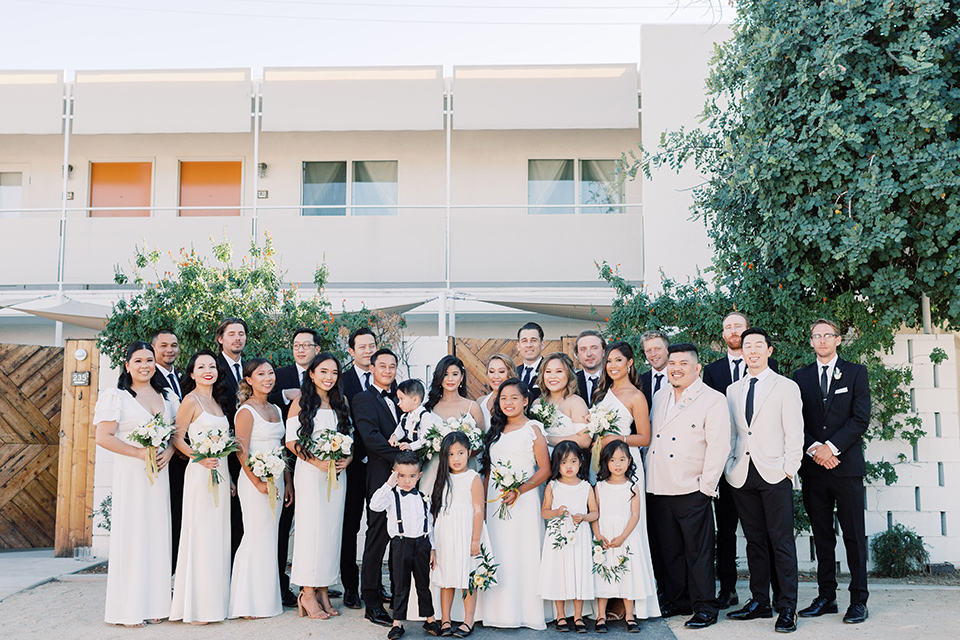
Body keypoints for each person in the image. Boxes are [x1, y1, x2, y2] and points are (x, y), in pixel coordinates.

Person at [646, 344, 731, 629]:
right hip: (659, 485)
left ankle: (705, 606)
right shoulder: (659, 396)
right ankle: (678, 599)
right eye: (672, 363)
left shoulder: (712, 399)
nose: (676, 368)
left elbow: (719, 446)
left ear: (697, 368)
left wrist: (706, 486)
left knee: (699, 552)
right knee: (670, 551)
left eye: (683, 363)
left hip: (692, 487)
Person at [93, 341, 178, 627]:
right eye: (139, 361)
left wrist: (167, 451)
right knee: (133, 535)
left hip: (159, 476)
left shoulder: (166, 396)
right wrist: (140, 453)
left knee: (157, 535)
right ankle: (126, 608)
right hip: (132, 473)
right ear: (127, 365)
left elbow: (174, 435)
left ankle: (155, 604)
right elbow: (104, 437)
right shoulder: (116, 396)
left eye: (150, 360)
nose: (145, 366)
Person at [724, 328, 802, 633]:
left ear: (769, 350)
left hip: (775, 474)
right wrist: (730, 466)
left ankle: (787, 607)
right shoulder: (733, 390)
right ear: (741, 352)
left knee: (781, 541)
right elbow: (733, 433)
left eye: (758, 345)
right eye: (747, 346)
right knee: (754, 541)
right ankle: (760, 601)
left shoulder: (786, 387)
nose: (752, 350)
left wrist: (788, 469)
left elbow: (795, 432)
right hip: (742, 474)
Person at [702, 311, 781, 609]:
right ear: (723, 334)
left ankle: (771, 591)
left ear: (749, 332)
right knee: (726, 531)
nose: (733, 331)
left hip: (760, 465)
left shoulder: (769, 366)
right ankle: (729, 589)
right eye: (728, 327)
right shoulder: (712, 370)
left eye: (738, 326)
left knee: (762, 532)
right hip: (726, 464)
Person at [794, 319, 870, 624]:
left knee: (853, 536)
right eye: (817, 336)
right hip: (814, 469)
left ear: (838, 340)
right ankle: (826, 597)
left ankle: (858, 600)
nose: (822, 340)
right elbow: (794, 420)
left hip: (846, 467)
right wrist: (815, 449)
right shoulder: (800, 376)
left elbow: (860, 418)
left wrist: (831, 448)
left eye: (828, 335)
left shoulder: (855, 373)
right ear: (811, 341)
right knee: (822, 536)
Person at [592, 341, 660, 622]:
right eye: (609, 361)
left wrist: (617, 439)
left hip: (627, 463)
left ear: (630, 363)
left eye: (618, 360)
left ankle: (630, 598)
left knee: (630, 526)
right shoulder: (601, 393)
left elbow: (644, 437)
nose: (612, 365)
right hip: (603, 465)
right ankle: (609, 591)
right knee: (606, 522)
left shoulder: (636, 395)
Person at [286, 352, 353, 620]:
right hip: (312, 474)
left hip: (337, 475)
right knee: (311, 531)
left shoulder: (341, 402)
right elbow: (292, 441)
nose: (329, 377)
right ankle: (307, 592)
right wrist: (317, 463)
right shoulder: (301, 402)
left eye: (334, 373)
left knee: (331, 530)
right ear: (311, 374)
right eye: (323, 371)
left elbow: (350, 437)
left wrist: (346, 459)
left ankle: (324, 588)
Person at [480, 378, 551, 630]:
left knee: (522, 551)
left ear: (525, 401)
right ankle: (498, 611)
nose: (508, 403)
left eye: (513, 397)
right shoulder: (496, 430)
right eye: (503, 398)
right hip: (495, 498)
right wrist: (485, 504)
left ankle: (526, 612)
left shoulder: (533, 429)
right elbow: (488, 469)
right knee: (499, 551)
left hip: (524, 499)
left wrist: (519, 490)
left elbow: (544, 470)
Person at [170, 350, 234, 625]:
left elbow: (227, 447)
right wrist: (198, 456)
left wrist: (229, 477)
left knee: (218, 535)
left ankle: (215, 602)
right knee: (201, 534)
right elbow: (177, 438)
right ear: (193, 373)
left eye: (212, 366)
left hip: (220, 472)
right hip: (199, 473)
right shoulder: (191, 400)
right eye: (201, 366)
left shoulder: (218, 403)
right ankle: (196, 607)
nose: (208, 370)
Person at [228, 359, 289, 619]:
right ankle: (246, 602)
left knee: (270, 538)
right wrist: (257, 482)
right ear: (249, 380)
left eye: (271, 373)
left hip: (277, 479)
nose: (268, 378)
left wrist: (288, 483)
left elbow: (282, 448)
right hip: (255, 481)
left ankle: (266, 599)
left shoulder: (275, 408)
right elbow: (241, 450)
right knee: (255, 535)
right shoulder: (245, 411)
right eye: (261, 374)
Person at [268, 327, 320, 608]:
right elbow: (265, 405)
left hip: (323, 465)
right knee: (283, 527)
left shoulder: (327, 373)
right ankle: (280, 585)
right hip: (287, 462)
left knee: (316, 524)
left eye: (306, 345)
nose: (300, 349)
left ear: (316, 349)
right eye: (296, 344)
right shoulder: (279, 375)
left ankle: (315, 583)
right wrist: (289, 396)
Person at [354, 348, 403, 627]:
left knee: (402, 537)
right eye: (382, 365)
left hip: (408, 478)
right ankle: (371, 602)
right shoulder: (363, 399)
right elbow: (371, 438)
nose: (387, 370)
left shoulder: (403, 397)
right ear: (371, 368)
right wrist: (403, 460)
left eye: (392, 366)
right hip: (381, 475)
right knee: (377, 538)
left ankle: (399, 597)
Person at [369, 452, 441, 640]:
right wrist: (389, 484)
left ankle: (430, 619)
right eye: (401, 475)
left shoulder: (424, 497)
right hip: (401, 544)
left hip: (422, 544)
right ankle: (397, 623)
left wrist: (432, 548)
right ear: (394, 474)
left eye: (411, 476)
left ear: (419, 476)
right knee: (401, 585)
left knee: (423, 584)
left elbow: (429, 524)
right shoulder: (391, 497)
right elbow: (374, 505)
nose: (406, 481)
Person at [592, 440, 659, 633]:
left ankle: (629, 615)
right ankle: (601, 615)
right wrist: (598, 534)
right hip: (605, 535)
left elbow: (635, 515)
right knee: (604, 572)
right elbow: (595, 512)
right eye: (613, 460)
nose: (618, 464)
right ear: (606, 462)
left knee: (628, 574)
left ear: (629, 461)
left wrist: (623, 537)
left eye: (622, 459)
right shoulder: (600, 486)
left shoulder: (632, 486)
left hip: (626, 536)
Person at [430, 431, 490, 638]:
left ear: (469, 453)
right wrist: (433, 545)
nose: (456, 459)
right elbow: (435, 513)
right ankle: (445, 619)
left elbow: (478, 510)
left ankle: (468, 619)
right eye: (451, 454)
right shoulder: (442, 479)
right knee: (446, 577)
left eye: (460, 453)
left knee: (468, 577)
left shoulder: (472, 478)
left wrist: (475, 539)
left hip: (466, 532)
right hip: (445, 534)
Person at [340, 327, 380, 610]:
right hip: (351, 467)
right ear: (352, 351)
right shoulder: (341, 381)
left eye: (372, 346)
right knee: (350, 528)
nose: (368, 351)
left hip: (379, 467)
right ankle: (351, 588)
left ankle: (374, 586)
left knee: (378, 528)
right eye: (362, 347)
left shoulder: (387, 379)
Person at [539, 441, 598, 633]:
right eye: (564, 462)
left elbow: (595, 513)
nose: (569, 466)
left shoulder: (586, 487)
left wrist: (584, 517)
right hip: (558, 536)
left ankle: (579, 616)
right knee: (559, 572)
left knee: (578, 572)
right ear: (557, 465)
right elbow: (544, 512)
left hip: (579, 535)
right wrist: (556, 512)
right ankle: (560, 615)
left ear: (580, 463)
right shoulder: (553, 486)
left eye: (573, 461)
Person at [150, 328, 187, 573]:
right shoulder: (149, 378)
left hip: (185, 460)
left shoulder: (183, 380)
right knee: (163, 520)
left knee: (180, 519)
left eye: (173, 345)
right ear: (153, 348)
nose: (169, 350)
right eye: (163, 345)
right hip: (162, 459)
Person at [423, 355, 485, 490]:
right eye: (445, 374)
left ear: (461, 377)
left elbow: (481, 443)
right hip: (435, 470)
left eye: (455, 374)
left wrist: (461, 456)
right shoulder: (429, 407)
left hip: (465, 469)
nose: (450, 379)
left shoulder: (472, 407)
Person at [215, 317, 248, 559]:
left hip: (248, 451)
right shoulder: (211, 368)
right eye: (232, 334)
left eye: (241, 334)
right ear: (221, 339)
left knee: (243, 519)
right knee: (225, 519)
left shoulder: (250, 369)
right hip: (222, 453)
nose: (237, 338)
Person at [532, 352, 592, 450]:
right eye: (548, 372)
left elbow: (584, 441)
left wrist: (546, 439)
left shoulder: (576, 403)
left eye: (559, 371)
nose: (552, 376)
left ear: (568, 375)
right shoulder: (537, 403)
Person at [477, 353, 517, 429]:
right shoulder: (480, 402)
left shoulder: (516, 403)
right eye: (492, 371)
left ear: (510, 374)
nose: (496, 376)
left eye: (501, 372)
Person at [638, 331, 670, 411]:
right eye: (648, 350)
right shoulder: (640, 381)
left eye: (658, 349)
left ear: (667, 350)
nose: (653, 354)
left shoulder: (679, 377)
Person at [574, 330, 606, 407]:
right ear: (577, 354)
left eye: (594, 348)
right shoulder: (571, 381)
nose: (589, 354)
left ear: (604, 352)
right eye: (583, 349)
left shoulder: (615, 379)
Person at [516, 322, 545, 401]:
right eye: (524, 341)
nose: (529, 345)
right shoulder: (513, 372)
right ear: (518, 346)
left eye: (534, 340)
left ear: (542, 344)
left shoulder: (549, 371)